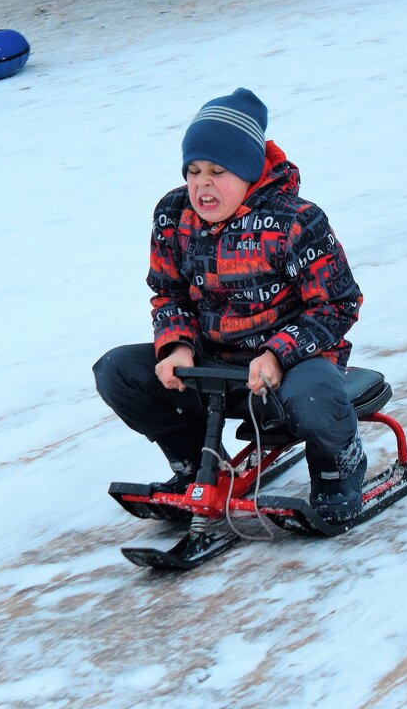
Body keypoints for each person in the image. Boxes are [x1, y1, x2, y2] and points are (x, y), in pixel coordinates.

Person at [93, 88, 367, 521]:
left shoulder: (295, 221)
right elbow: (170, 293)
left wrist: (279, 353)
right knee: (118, 372)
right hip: (211, 366)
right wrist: (175, 346)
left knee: (314, 397)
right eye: (194, 170)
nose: (203, 183)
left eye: (218, 171)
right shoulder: (172, 215)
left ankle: (339, 466)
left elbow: (339, 303)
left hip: (294, 365)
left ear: (249, 172)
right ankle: (195, 464)